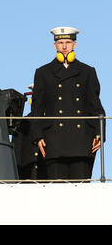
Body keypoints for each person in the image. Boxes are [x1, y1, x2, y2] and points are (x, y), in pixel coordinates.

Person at [31, 27, 105, 181]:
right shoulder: (43, 73)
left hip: (82, 142)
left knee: (80, 193)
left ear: (74, 45)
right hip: (54, 141)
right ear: (54, 46)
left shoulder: (87, 71)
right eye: (60, 42)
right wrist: (38, 136)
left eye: (68, 42)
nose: (64, 46)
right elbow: (37, 108)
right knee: (58, 194)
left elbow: (95, 106)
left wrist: (99, 133)